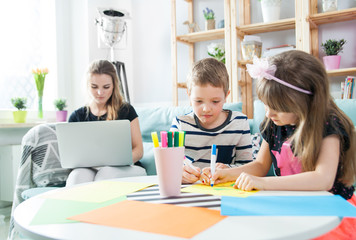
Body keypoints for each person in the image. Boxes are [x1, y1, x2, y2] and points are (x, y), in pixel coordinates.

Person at [202, 51, 356, 239]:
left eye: (277, 108)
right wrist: (228, 173)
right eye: (265, 105)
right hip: (291, 205)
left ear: (305, 103)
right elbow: (260, 165)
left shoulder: (328, 124)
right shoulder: (273, 123)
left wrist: (264, 183)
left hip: (332, 211)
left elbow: (323, 179)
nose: (268, 114)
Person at [170, 58, 253, 184]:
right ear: (189, 95)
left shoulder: (239, 123)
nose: (206, 109)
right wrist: (177, 173)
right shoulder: (180, 124)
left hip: (224, 190)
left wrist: (229, 171)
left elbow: (248, 167)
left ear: (226, 96)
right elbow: (168, 164)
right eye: (198, 101)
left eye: (215, 101)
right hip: (190, 191)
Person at [66, 59, 146, 186]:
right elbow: (71, 157)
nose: (100, 92)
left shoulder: (126, 111)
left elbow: (139, 150)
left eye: (106, 87)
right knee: (76, 177)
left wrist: (119, 161)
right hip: (91, 169)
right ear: (87, 85)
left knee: (105, 175)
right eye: (94, 87)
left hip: (126, 168)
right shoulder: (77, 116)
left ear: (114, 85)